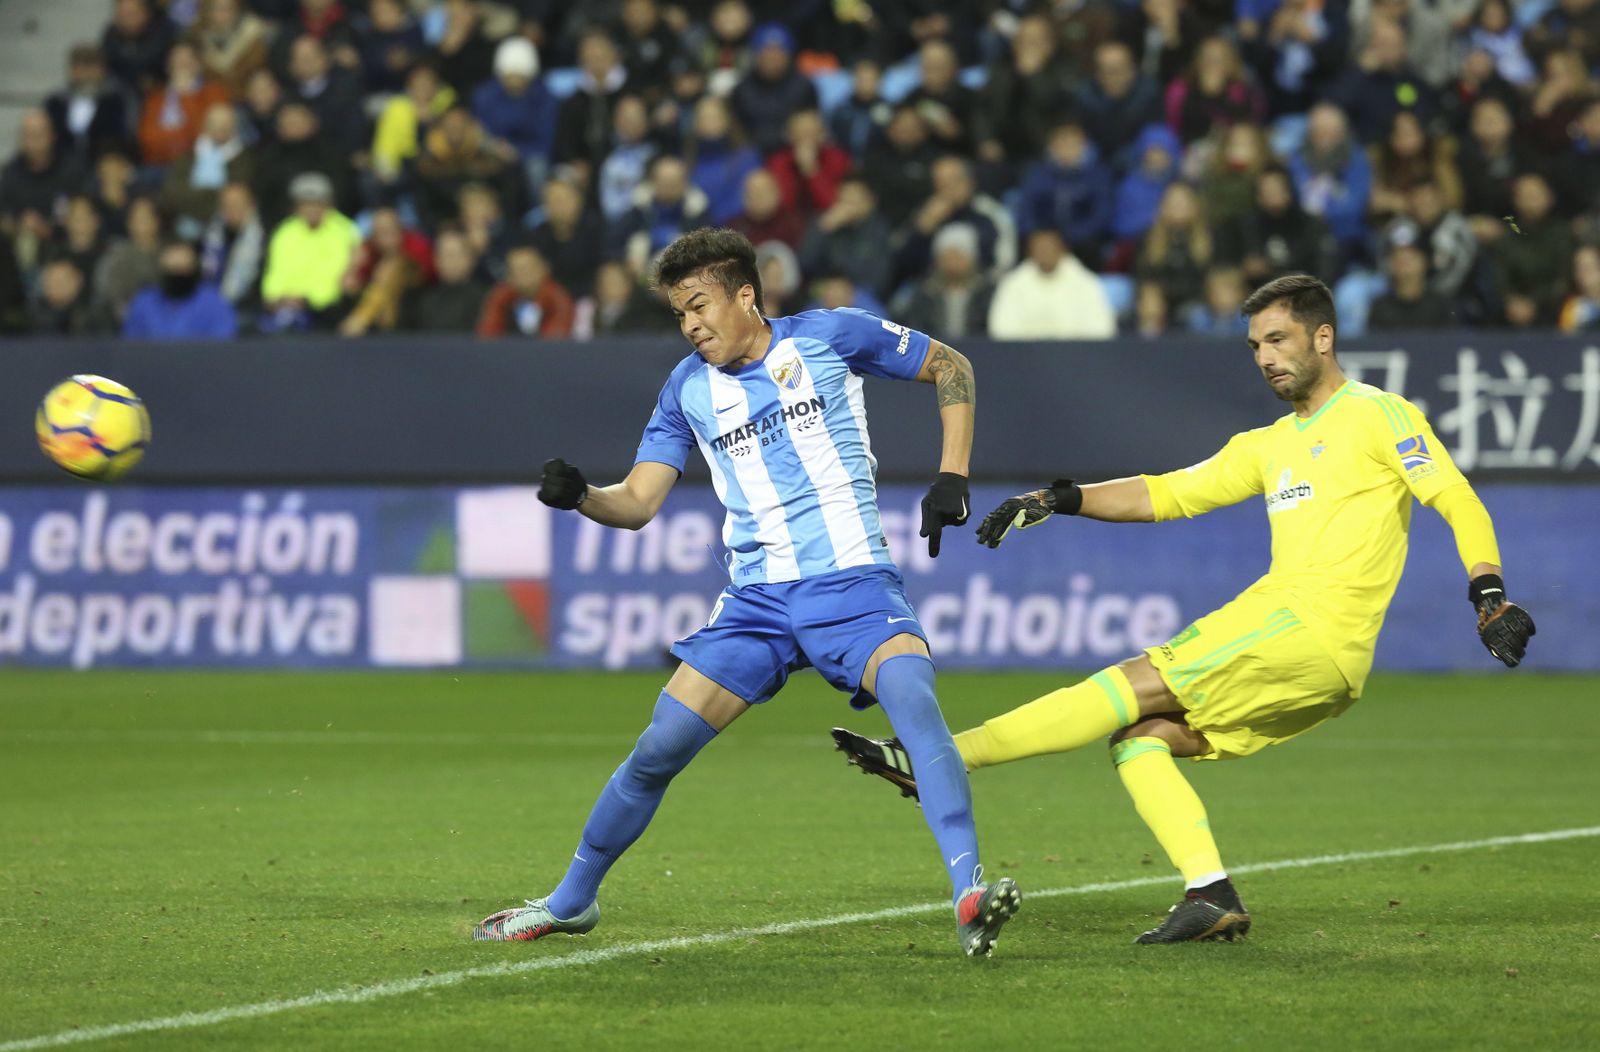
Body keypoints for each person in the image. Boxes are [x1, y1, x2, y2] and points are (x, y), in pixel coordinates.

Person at [833, 273, 1536, 944]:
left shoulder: (1379, 415)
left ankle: (939, 761)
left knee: (1124, 685)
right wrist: (1062, 498)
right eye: (1256, 346)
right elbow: (1167, 494)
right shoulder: (1268, 446)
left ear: (1324, 339)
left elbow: (1454, 497)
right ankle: (1210, 895)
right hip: (1317, 665)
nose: (1266, 358)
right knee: (1141, 739)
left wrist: (1489, 592)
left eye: (1280, 340)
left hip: (1304, 628)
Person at [472, 227, 1021, 957]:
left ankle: (968, 895)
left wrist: (953, 475)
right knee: (655, 751)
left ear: (745, 295)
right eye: (679, 313)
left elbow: (951, 364)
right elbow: (637, 502)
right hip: (757, 605)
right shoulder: (686, 389)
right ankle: (572, 902)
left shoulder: (830, 335)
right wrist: (582, 497)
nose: (691, 324)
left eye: (699, 305)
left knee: (917, 709)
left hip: (852, 583)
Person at [987, 228, 1116, 340]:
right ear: (1030, 252)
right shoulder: (1013, 284)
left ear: (1062, 250)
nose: (1045, 254)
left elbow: (1101, 329)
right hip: (1026, 359)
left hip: (1077, 358)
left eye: (1049, 248)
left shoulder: (1086, 283)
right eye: (1039, 249)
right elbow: (1001, 330)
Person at [122, 239, 238, 339]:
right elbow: (130, 344)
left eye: (183, 269)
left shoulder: (214, 303)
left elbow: (223, 347)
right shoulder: (144, 303)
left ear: (194, 270)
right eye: (172, 269)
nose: (177, 275)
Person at [475, 241, 576, 338]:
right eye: (515, 270)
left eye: (526, 269)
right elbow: (487, 336)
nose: (521, 275)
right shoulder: (500, 296)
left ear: (544, 269)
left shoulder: (558, 297)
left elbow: (557, 340)